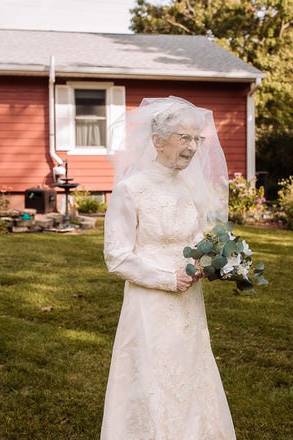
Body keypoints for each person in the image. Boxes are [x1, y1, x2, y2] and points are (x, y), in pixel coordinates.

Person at [101, 96, 236, 439]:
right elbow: (116, 256)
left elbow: (195, 236)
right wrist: (166, 279)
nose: (193, 147)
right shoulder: (131, 190)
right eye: (184, 138)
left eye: (197, 138)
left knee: (190, 369)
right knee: (153, 375)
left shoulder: (190, 188)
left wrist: (207, 262)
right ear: (157, 141)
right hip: (151, 302)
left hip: (189, 300)